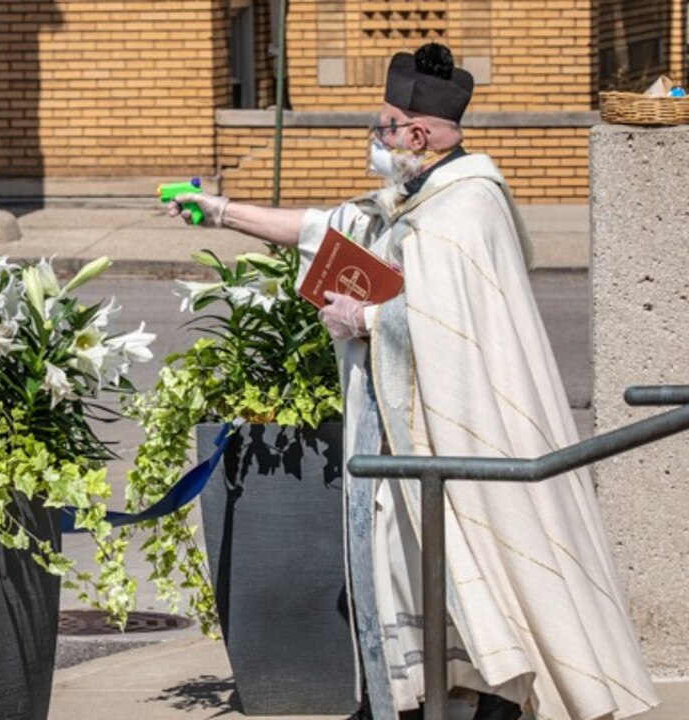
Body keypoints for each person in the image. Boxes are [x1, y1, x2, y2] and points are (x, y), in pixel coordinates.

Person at [168, 43, 657, 720]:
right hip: (402, 437)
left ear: (418, 134)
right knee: (410, 570)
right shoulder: (409, 199)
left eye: (383, 127)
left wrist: (363, 316)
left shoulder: (465, 208)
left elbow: (448, 315)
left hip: (461, 431)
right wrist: (218, 212)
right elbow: (323, 228)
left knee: (480, 563)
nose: (375, 140)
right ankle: (413, 700)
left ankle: (501, 698)